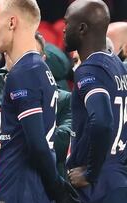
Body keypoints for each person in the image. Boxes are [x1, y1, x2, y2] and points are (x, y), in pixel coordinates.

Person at [0, 0, 77, 202]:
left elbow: (37, 145)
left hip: (18, 189)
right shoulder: (39, 67)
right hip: (31, 189)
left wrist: (57, 187)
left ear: (12, 22)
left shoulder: (24, 72)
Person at [64, 0, 127, 202]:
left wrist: (90, 172)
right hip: (118, 178)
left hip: (97, 186)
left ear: (81, 28)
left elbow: (102, 121)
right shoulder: (118, 65)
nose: (64, 30)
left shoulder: (88, 70)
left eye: (67, 23)